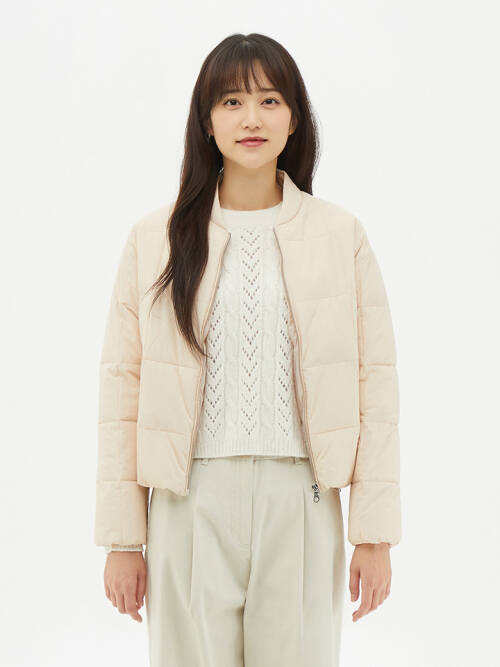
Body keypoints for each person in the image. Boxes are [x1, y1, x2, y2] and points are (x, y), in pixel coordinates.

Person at [94, 32, 402, 667]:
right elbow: (122, 389)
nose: (252, 118)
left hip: (302, 500)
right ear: (207, 121)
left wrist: (373, 534)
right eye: (232, 102)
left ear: (295, 118)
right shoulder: (156, 238)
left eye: (269, 100)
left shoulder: (340, 235)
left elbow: (376, 385)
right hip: (187, 502)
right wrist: (123, 539)